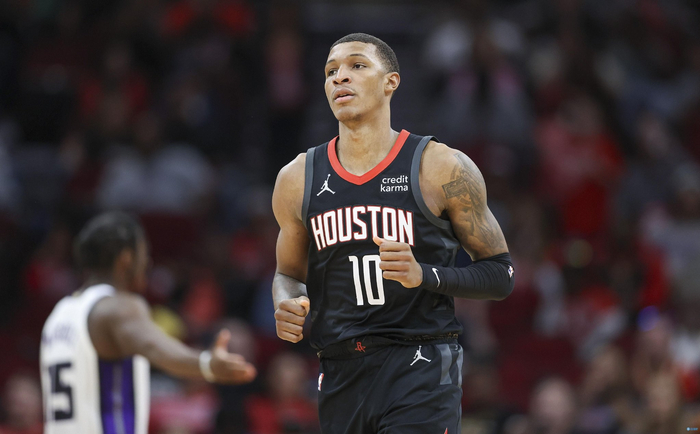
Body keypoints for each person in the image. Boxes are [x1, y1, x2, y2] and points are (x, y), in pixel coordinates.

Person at [271, 33, 515, 433]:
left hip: (420, 365)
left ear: (391, 82)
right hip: (340, 370)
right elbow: (288, 275)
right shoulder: (296, 178)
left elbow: (501, 274)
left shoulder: (441, 167)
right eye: (331, 71)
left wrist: (425, 275)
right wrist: (286, 301)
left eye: (357, 65)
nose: (339, 77)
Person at [40, 212, 256, 434]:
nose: (148, 262)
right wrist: (206, 363)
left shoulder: (59, 314)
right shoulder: (118, 305)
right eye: (144, 253)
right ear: (126, 258)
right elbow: (152, 346)